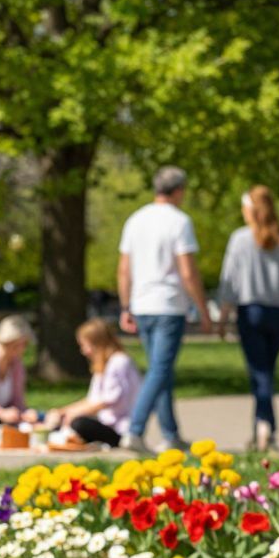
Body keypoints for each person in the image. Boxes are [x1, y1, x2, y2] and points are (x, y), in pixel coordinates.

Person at [117, 165, 214, 455]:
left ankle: (170, 434)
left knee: (162, 371)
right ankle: (134, 430)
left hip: (142, 304)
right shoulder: (179, 222)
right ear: (179, 190)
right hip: (168, 305)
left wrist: (125, 305)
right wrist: (202, 307)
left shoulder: (135, 220)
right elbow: (187, 272)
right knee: (159, 370)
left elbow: (124, 269)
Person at [216, 185, 279, 451]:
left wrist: (223, 316)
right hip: (277, 315)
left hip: (251, 312)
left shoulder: (240, 239)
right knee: (265, 372)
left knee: (260, 372)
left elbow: (229, 281)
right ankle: (263, 427)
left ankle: (264, 425)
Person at [35, 319, 140, 448]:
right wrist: (62, 412)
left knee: (79, 423)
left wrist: (74, 414)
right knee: (59, 420)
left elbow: (108, 400)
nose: (83, 351)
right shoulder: (102, 365)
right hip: (105, 422)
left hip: (120, 427)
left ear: (97, 343)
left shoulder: (119, 361)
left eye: (84, 345)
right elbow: (92, 399)